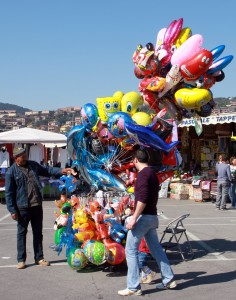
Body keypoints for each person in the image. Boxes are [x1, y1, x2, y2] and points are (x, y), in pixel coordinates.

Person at [118, 148, 176, 296]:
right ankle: (168, 279)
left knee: (130, 250)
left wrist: (133, 218)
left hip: (143, 217)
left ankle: (133, 286)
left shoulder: (143, 175)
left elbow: (142, 199)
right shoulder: (152, 174)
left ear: (136, 160)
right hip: (152, 217)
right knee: (156, 249)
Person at [5, 146, 74, 269]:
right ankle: (21, 260)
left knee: (38, 233)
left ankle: (39, 257)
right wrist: (12, 210)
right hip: (22, 207)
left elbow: (47, 170)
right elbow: (9, 193)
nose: (25, 157)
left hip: (36, 205)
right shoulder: (11, 172)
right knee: (22, 233)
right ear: (16, 158)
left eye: (25, 154)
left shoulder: (33, 165)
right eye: (22, 155)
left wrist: (61, 171)